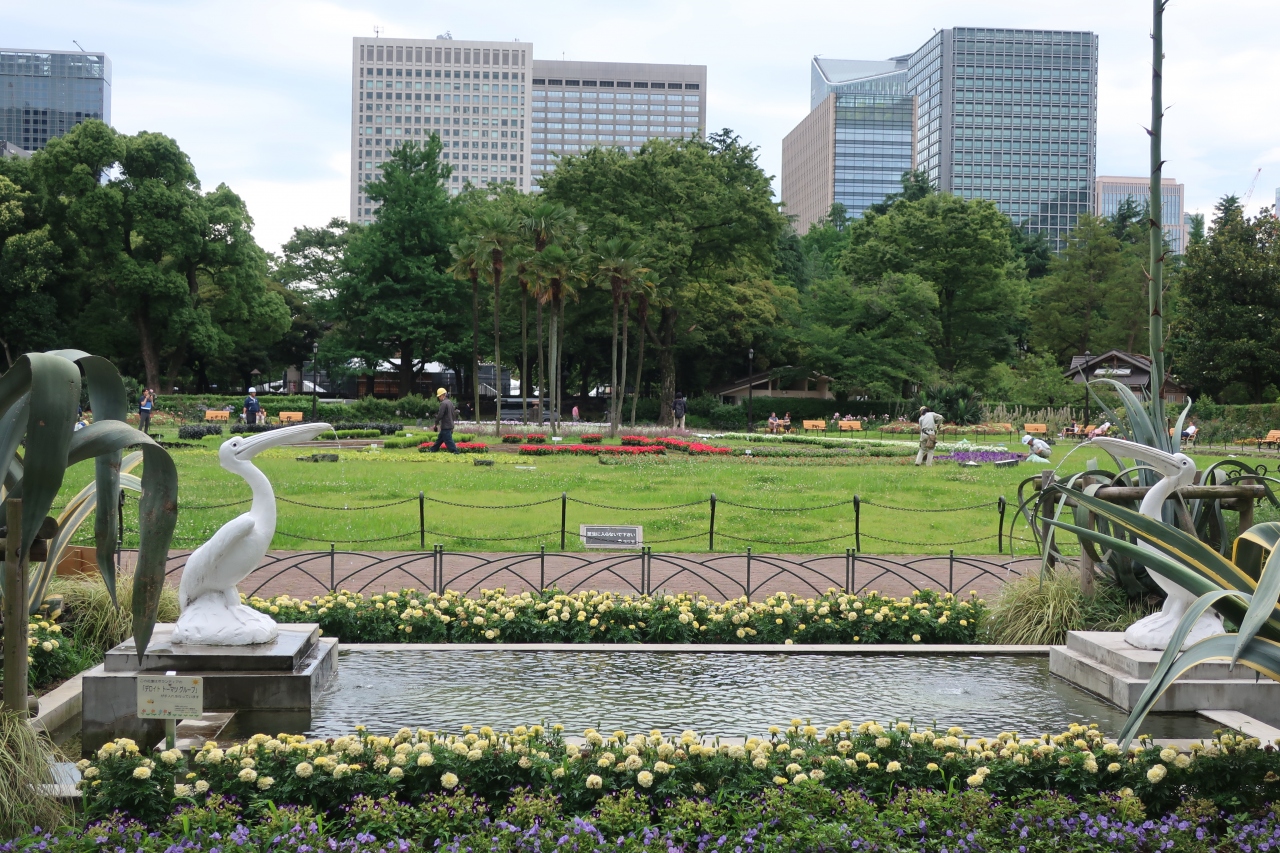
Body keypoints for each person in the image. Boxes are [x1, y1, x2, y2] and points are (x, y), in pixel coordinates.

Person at [428, 387, 459, 454]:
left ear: (443, 395)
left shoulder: (443, 403)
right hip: (449, 425)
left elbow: (440, 415)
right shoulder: (450, 402)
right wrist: (452, 425)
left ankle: (455, 452)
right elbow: (453, 414)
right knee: (439, 440)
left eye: (439, 396)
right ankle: (432, 450)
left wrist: (435, 423)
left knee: (448, 441)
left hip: (446, 426)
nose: (439, 398)